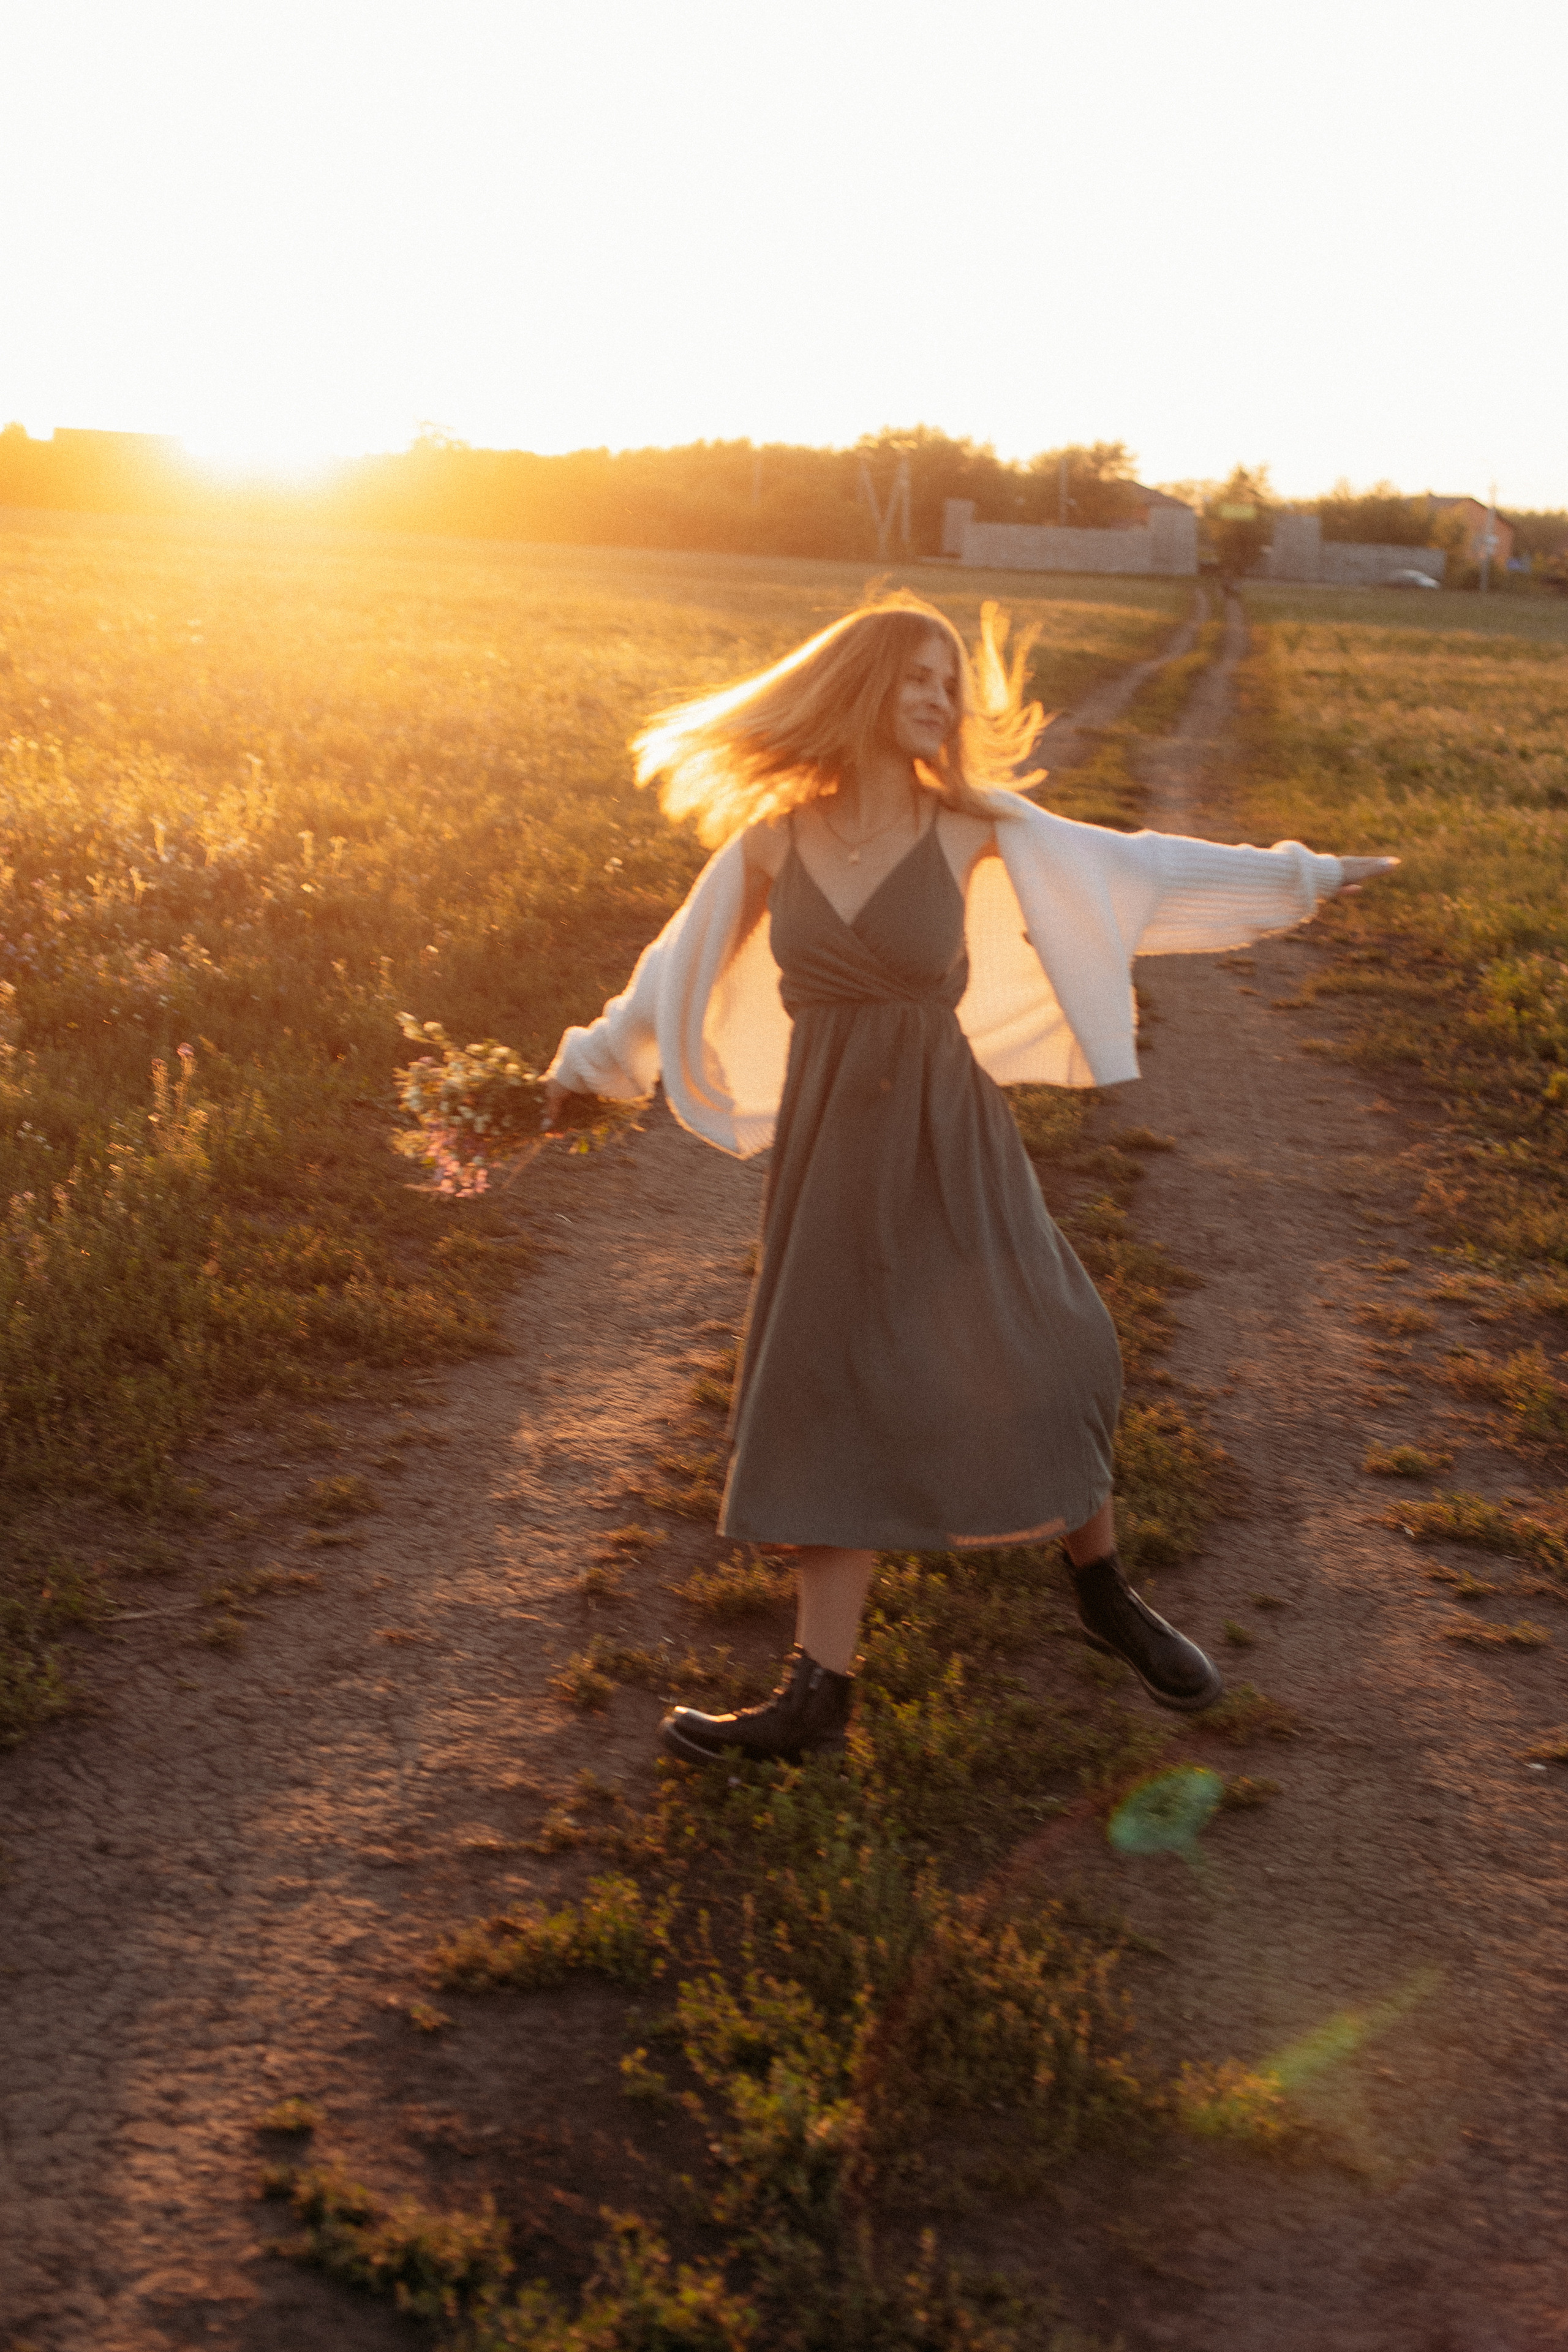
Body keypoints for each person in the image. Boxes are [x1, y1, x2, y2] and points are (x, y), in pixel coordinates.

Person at [541, 593, 1394, 1767]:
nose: (943, 700)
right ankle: (816, 1697)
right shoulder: (774, 840)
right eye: (919, 678)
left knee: (1054, 1338)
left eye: (951, 682)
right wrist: (578, 1074)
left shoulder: (971, 828)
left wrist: (1307, 874)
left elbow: (1133, 871)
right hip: (831, 1144)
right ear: (859, 687)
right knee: (826, 1382)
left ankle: (1101, 1591)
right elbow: (666, 976)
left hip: (948, 1124)